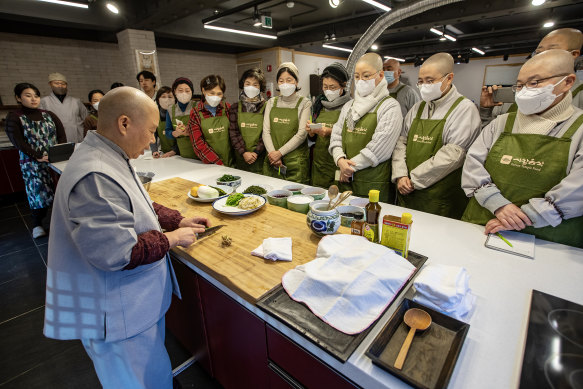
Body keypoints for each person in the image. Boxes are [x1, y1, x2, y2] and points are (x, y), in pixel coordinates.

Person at [43, 86, 211, 388]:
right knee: (136, 381)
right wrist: (172, 238)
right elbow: (118, 252)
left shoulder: (108, 154)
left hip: (131, 309)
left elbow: (136, 201)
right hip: (116, 315)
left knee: (154, 371)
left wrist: (177, 218)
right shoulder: (94, 174)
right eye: (149, 131)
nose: (151, 139)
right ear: (124, 123)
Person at [462, 50, 583, 248]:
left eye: (534, 83)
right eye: (520, 85)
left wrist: (527, 216)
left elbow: (577, 189)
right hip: (485, 221)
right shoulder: (501, 123)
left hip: (548, 237)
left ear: (568, 82)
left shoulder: (579, 128)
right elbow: (472, 164)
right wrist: (498, 204)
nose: (524, 90)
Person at [392, 53, 481, 219]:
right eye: (421, 81)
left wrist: (414, 179)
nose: (424, 85)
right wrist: (400, 174)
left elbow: (453, 155)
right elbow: (401, 142)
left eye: (430, 80)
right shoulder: (418, 108)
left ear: (448, 78)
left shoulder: (464, 109)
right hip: (407, 191)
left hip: (440, 198)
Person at [329, 53, 402, 203]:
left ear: (380, 75)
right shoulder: (349, 106)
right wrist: (340, 160)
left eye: (366, 76)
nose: (360, 81)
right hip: (345, 180)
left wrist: (349, 168)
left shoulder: (390, 106)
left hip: (372, 183)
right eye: (357, 76)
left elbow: (380, 148)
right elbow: (336, 136)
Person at [480, 28, 583, 126]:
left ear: (573, 54)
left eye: (552, 51)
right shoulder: (516, 95)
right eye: (538, 52)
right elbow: (491, 135)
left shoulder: (579, 98)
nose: (541, 56)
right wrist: (485, 111)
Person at [5, 83, 66, 239]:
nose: (33, 99)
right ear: (18, 97)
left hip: (54, 160)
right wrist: (36, 155)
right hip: (32, 163)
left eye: (36, 95)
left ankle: (62, 221)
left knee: (60, 191)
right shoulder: (15, 116)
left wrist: (59, 151)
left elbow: (61, 134)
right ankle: (37, 223)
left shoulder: (49, 114)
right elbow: (17, 140)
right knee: (38, 193)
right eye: (28, 95)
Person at [262, 62, 312, 183]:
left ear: (296, 82)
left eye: (289, 80)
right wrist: (273, 154)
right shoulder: (271, 102)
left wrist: (279, 153)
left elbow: (301, 134)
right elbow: (266, 131)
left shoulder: (305, 103)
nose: (285, 84)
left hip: (295, 162)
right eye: (281, 80)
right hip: (273, 161)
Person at [307, 62, 351, 188]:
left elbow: (353, 135)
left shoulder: (351, 106)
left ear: (343, 86)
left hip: (339, 163)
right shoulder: (319, 105)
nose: (328, 91)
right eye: (325, 87)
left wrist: (330, 131)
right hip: (319, 163)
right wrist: (311, 132)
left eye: (332, 87)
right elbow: (312, 139)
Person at [183, 74, 233, 166]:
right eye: (212, 93)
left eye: (219, 94)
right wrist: (217, 162)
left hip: (232, 161)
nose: (215, 97)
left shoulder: (227, 108)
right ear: (203, 90)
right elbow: (197, 143)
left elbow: (235, 134)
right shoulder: (196, 113)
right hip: (211, 163)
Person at [228, 68, 267, 173]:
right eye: (247, 83)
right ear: (243, 85)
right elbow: (233, 132)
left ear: (260, 87)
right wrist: (244, 152)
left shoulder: (267, 107)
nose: (251, 87)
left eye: (255, 85)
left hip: (261, 157)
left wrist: (256, 152)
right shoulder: (235, 107)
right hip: (241, 158)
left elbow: (267, 133)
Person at [39, 72, 87, 143]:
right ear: (50, 84)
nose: (60, 86)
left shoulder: (76, 101)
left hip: (77, 136)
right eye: (56, 83)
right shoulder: (44, 101)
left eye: (63, 84)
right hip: (56, 137)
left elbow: (86, 117)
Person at [164, 78, 197, 159]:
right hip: (183, 153)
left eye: (187, 91)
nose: (184, 93)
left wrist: (191, 132)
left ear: (192, 92)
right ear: (175, 91)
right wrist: (175, 133)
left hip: (199, 150)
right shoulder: (170, 110)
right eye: (180, 90)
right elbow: (167, 131)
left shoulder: (197, 106)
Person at [152, 86, 177, 158]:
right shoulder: (156, 116)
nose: (167, 100)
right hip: (164, 154)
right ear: (158, 100)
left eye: (170, 97)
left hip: (179, 153)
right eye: (163, 97)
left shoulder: (178, 115)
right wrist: (154, 150)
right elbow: (153, 135)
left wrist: (174, 151)